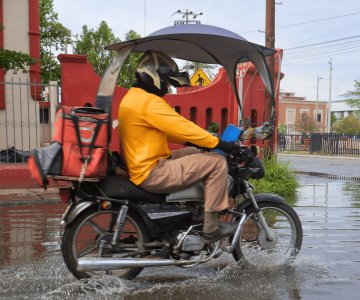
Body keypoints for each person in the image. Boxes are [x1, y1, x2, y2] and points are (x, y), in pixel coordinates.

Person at [118, 51, 243, 242]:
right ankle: (211, 227)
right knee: (217, 163)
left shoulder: (134, 97)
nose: (167, 88)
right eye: (167, 82)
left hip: (144, 164)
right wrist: (221, 144)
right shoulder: (148, 102)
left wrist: (199, 142)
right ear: (155, 77)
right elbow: (182, 127)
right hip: (152, 171)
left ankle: (190, 210)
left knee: (195, 152)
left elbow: (173, 131)